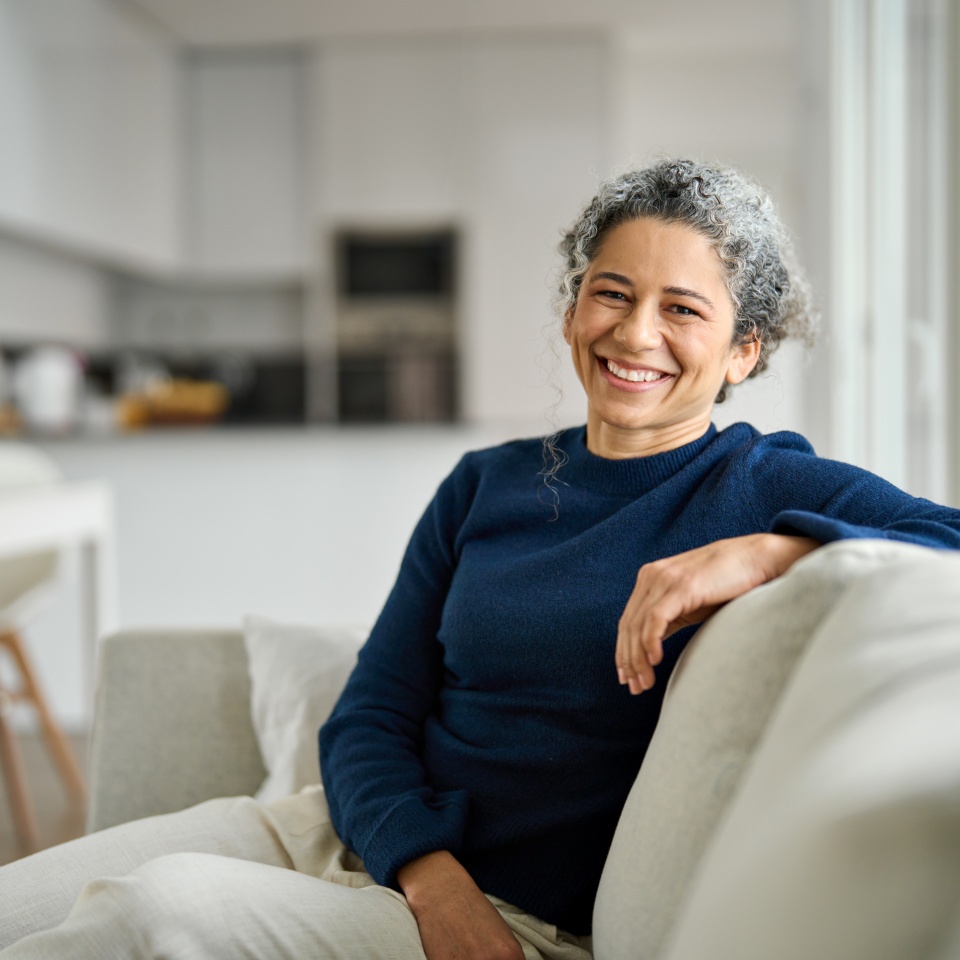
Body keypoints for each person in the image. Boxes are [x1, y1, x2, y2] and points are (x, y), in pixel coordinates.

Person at [2, 158, 959, 960]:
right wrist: (427, 874)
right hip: (358, 841)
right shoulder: (485, 483)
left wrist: (770, 549)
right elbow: (372, 711)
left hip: (513, 917)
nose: (634, 334)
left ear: (745, 350)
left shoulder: (758, 486)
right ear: (572, 309)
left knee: (145, 919)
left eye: (683, 311)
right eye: (611, 294)